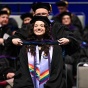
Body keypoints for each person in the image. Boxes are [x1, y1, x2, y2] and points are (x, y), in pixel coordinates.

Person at [9, 16, 66, 88]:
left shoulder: (55, 48)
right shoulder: (25, 48)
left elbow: (57, 71)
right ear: (32, 29)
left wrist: (49, 86)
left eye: (42, 26)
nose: (38, 28)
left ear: (46, 29)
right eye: (36, 26)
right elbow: (23, 71)